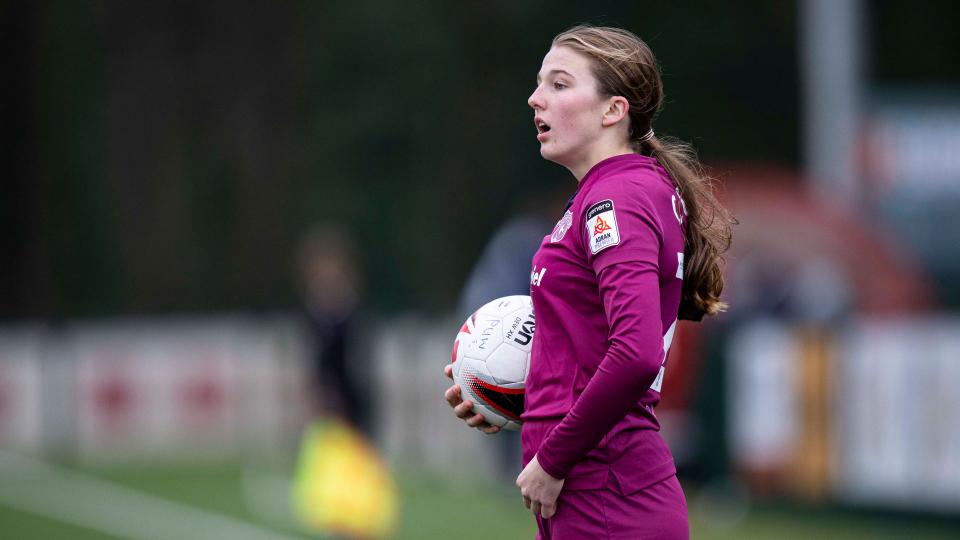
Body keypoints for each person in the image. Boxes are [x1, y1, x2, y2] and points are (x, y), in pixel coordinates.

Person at [443, 25, 733, 539]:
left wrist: (553, 458)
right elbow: (589, 349)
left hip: (609, 501)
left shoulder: (616, 199)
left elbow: (637, 352)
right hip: (594, 496)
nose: (535, 99)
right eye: (539, 84)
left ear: (613, 110)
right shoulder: (611, 193)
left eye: (558, 85)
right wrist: (510, 399)